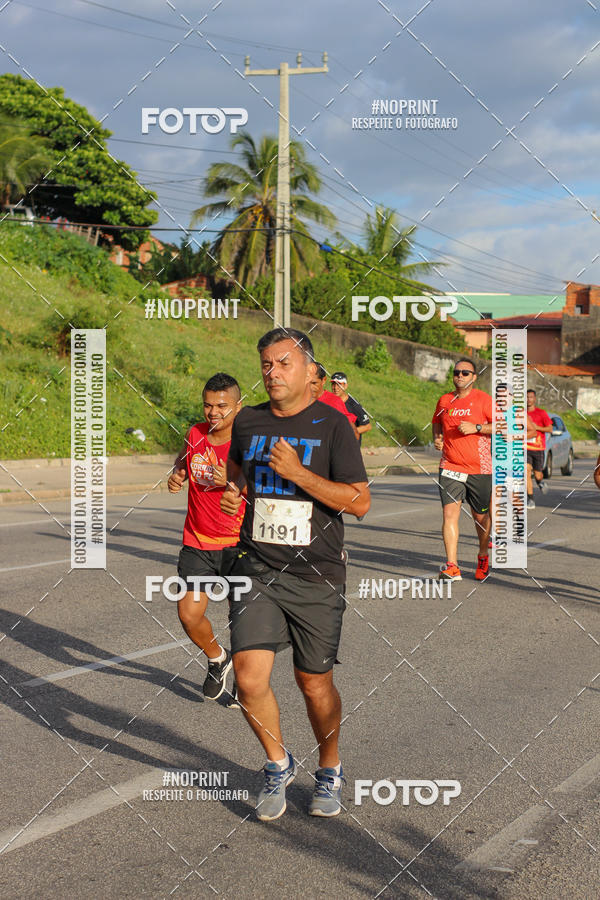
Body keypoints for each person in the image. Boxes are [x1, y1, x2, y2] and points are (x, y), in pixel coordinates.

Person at [220, 328, 370, 821]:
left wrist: (299, 474)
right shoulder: (248, 421)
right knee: (248, 676)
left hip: (316, 574)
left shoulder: (334, 425)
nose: (272, 373)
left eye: (283, 363)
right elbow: (240, 471)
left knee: (314, 683)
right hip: (257, 565)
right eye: (265, 364)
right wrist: (234, 490)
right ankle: (277, 763)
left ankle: (329, 768)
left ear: (310, 371)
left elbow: (360, 502)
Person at [168, 373, 244, 704]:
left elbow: (270, 487)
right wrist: (179, 473)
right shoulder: (195, 433)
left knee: (242, 620)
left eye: (222, 406)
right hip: (198, 540)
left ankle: (247, 673)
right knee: (188, 614)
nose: (213, 413)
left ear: (237, 407)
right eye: (208, 405)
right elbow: (184, 459)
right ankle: (217, 658)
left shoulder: (248, 443)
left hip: (239, 544)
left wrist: (234, 479)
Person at [432, 359, 493, 582]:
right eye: (457, 372)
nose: (460, 376)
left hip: (480, 468)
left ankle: (483, 555)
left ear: (474, 377)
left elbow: (503, 425)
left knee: (480, 517)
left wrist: (476, 427)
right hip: (450, 466)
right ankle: (452, 566)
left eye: (465, 373)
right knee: (449, 514)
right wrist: (437, 438)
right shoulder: (445, 400)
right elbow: (436, 422)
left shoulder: (484, 400)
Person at [309, 363, 359, 437]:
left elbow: (354, 433)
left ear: (323, 380)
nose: (309, 387)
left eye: (314, 383)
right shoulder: (296, 400)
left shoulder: (334, 401)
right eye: (306, 382)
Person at [525, 389, 553, 509]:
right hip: (525, 447)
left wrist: (537, 427)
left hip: (538, 448)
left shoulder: (541, 413)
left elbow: (550, 429)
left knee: (537, 475)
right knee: (526, 472)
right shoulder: (521, 413)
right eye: (526, 397)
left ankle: (540, 482)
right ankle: (530, 499)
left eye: (531, 397)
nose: (528, 399)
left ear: (534, 399)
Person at [330, 371, 371, 445]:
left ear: (345, 386)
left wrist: (347, 432)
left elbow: (367, 426)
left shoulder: (354, 405)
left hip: (350, 448)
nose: (335, 388)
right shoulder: (329, 402)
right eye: (333, 384)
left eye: (339, 384)